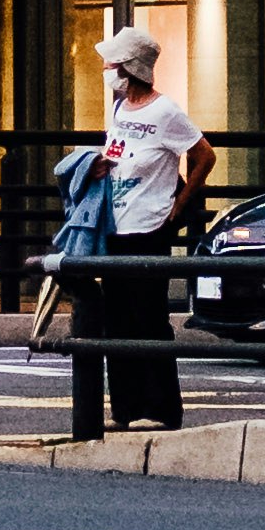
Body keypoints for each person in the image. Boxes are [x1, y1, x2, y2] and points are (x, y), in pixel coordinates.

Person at [86, 22, 214, 431]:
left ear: (129, 67)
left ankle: (162, 408)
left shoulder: (166, 111)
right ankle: (124, 408)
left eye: (112, 63)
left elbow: (203, 155)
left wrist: (179, 204)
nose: (106, 69)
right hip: (115, 223)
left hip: (150, 225)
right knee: (118, 320)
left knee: (149, 317)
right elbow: (116, 150)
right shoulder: (119, 108)